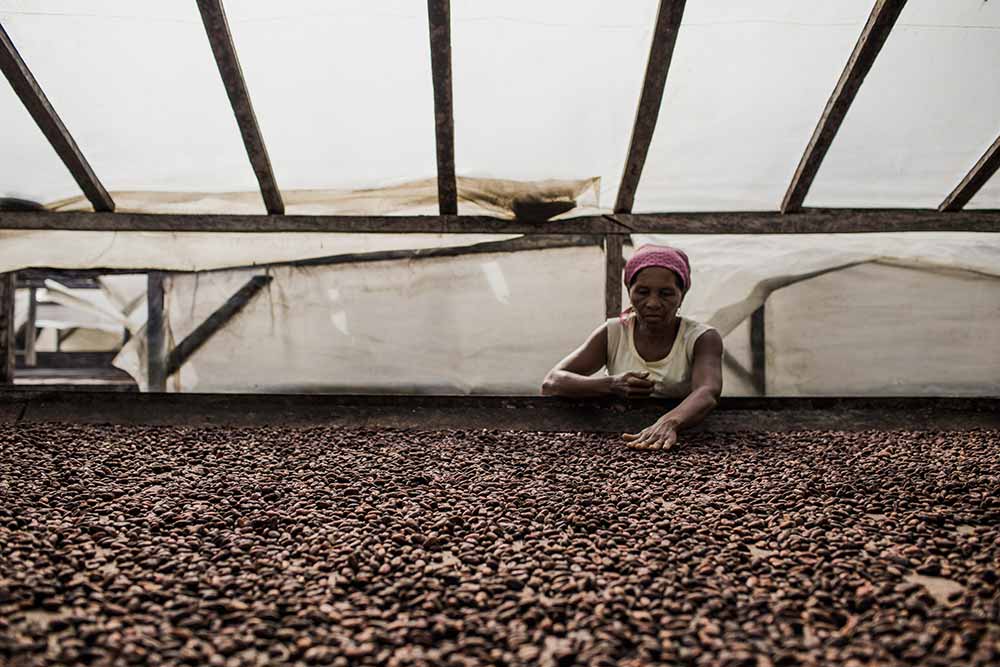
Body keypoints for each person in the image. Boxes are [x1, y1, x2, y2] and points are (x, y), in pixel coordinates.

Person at [541, 244, 723, 451]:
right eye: (643, 292)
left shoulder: (701, 338)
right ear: (629, 290)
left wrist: (670, 422)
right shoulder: (614, 333)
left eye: (666, 293)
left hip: (685, 441)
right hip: (618, 439)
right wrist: (612, 384)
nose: (653, 303)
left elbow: (708, 391)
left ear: (682, 294)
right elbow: (552, 382)